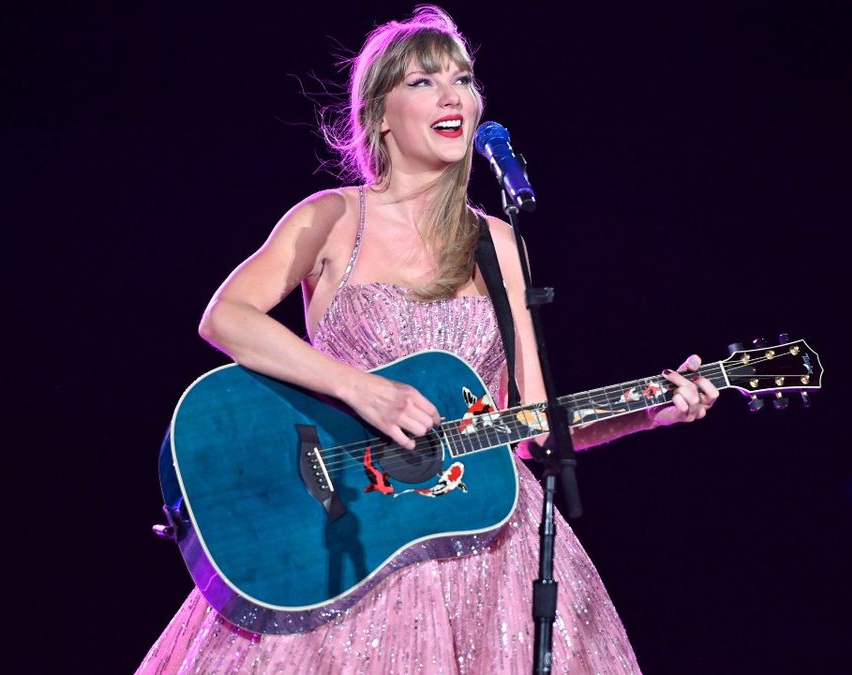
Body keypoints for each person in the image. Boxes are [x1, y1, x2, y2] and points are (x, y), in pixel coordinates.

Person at [137, 6, 717, 673]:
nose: (452, 95)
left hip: (488, 544)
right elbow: (228, 316)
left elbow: (528, 424)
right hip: (345, 537)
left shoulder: (498, 242)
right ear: (380, 115)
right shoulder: (332, 219)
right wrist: (365, 391)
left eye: (463, 79)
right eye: (423, 81)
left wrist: (650, 410)